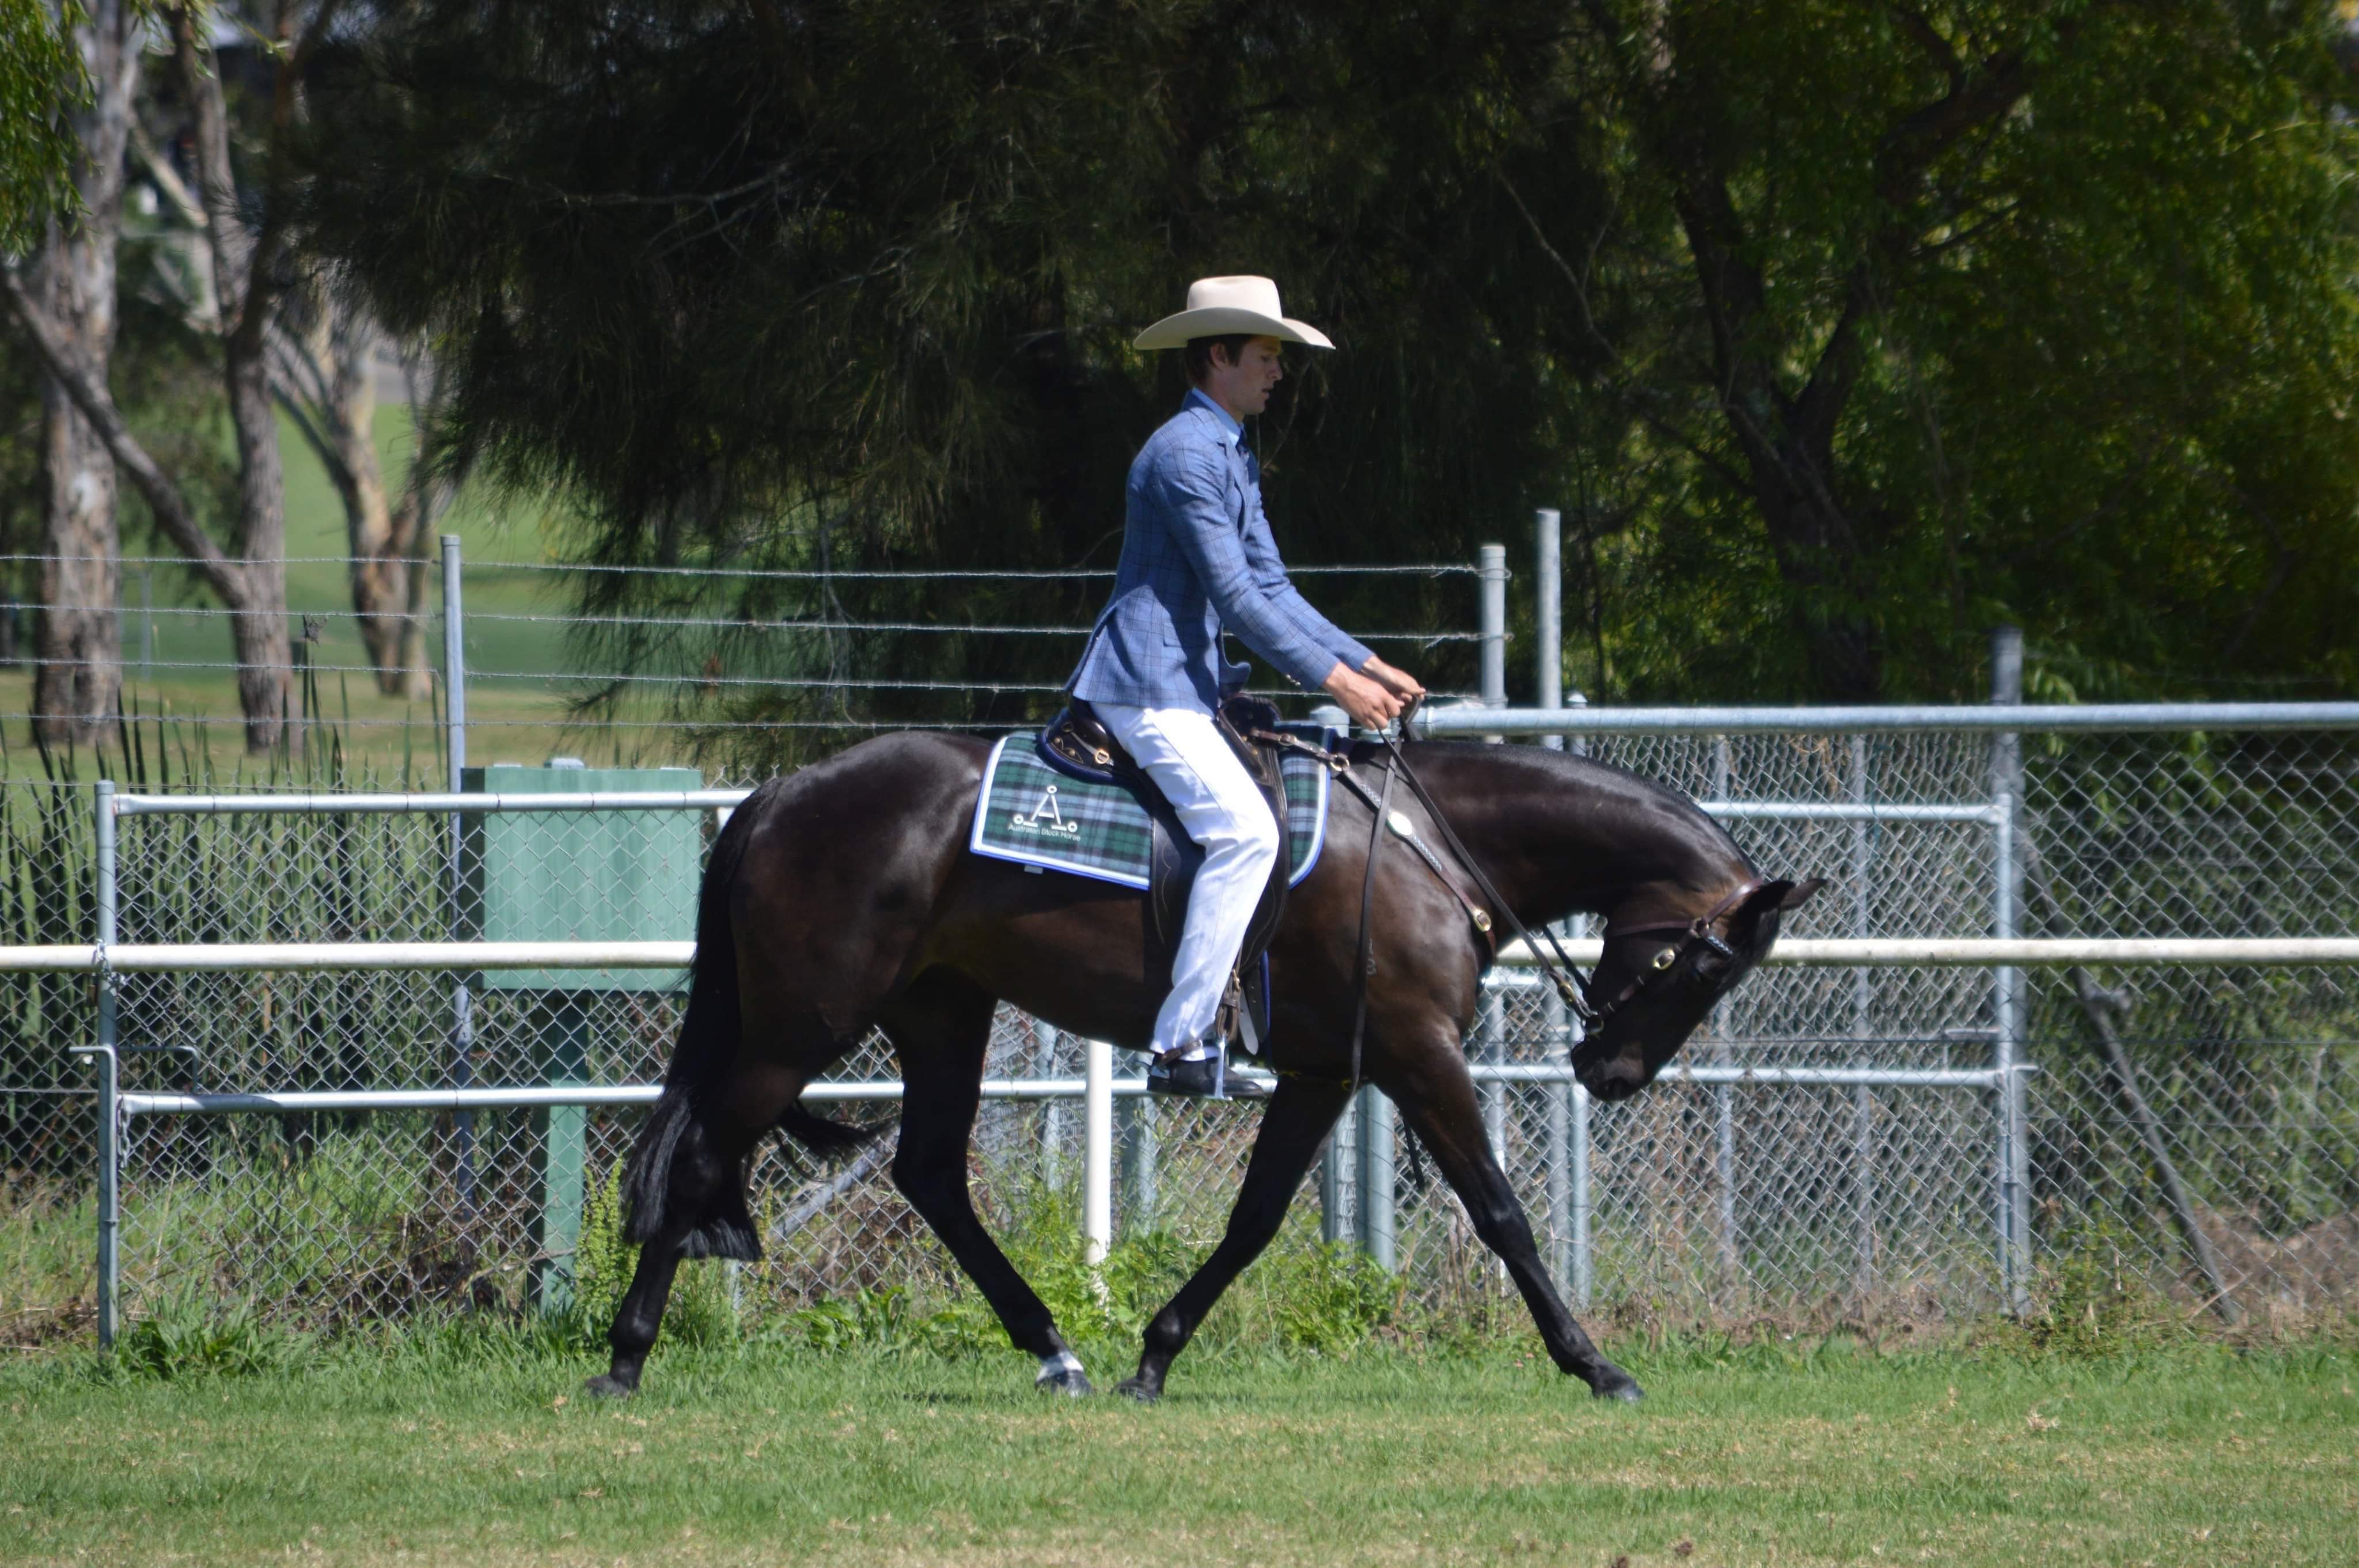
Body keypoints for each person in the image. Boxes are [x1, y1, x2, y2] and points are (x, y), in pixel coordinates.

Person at [1064, 275, 1424, 1098]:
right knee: (1247, 835)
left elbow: (1273, 589)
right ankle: (1182, 1046)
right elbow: (1235, 599)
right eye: (1266, 355)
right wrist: (1337, 683)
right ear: (1219, 356)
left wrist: (1366, 663)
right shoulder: (1186, 454)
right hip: (1147, 685)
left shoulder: (1229, 451)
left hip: (1185, 686)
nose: (1279, 372)